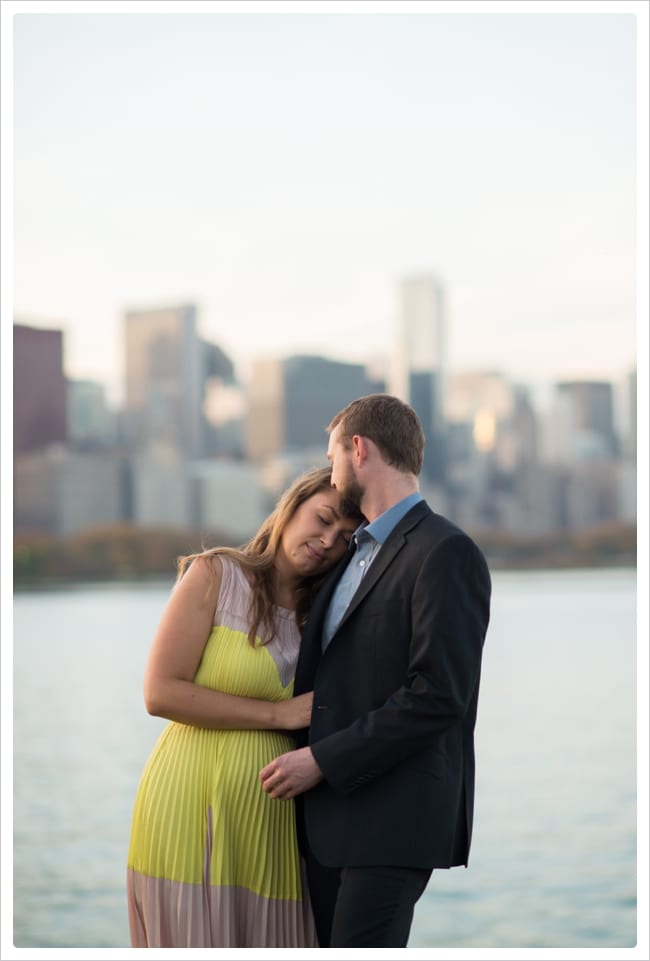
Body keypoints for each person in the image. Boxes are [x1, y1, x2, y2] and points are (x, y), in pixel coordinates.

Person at [260, 394, 492, 948]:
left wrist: (321, 760)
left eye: (332, 455)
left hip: (393, 822)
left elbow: (439, 695)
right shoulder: (351, 555)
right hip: (327, 825)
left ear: (358, 450)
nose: (331, 472)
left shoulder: (445, 551)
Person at [126, 466, 363, 948]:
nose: (327, 540)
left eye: (343, 537)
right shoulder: (215, 573)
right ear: (291, 506)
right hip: (188, 806)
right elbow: (160, 692)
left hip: (274, 825)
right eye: (322, 519)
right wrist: (279, 714)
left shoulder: (326, 612)